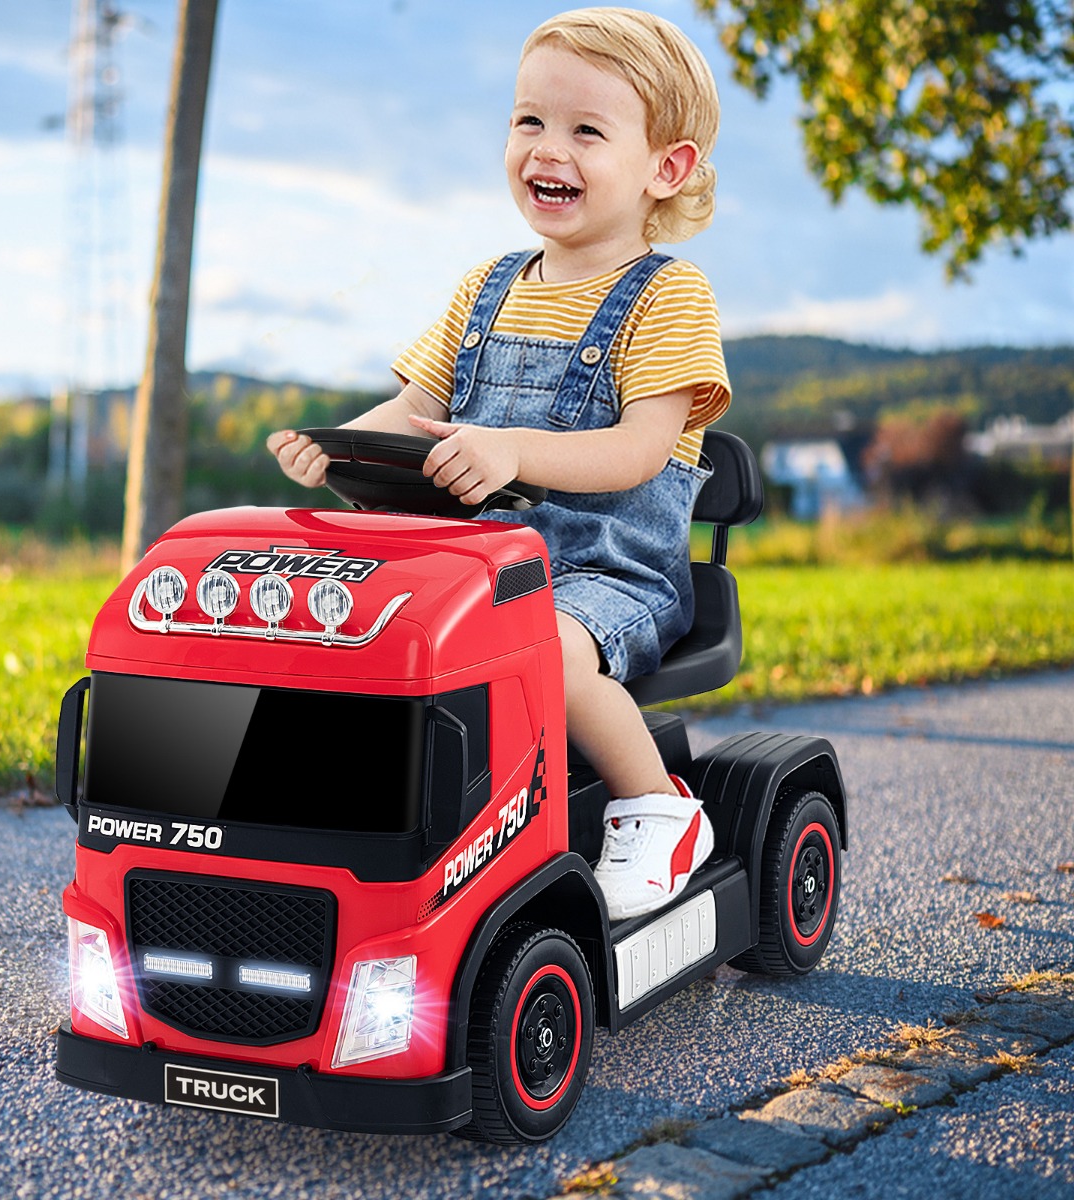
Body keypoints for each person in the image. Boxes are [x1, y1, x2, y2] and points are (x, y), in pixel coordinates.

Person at [270, 7, 730, 922]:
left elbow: (641, 451)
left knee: (537, 649)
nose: (546, 149)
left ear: (664, 168)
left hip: (604, 573)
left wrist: (514, 448)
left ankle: (657, 808)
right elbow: (412, 411)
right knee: (355, 633)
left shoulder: (669, 295)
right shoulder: (485, 288)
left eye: (586, 130)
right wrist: (334, 445)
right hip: (474, 565)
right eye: (530, 121)